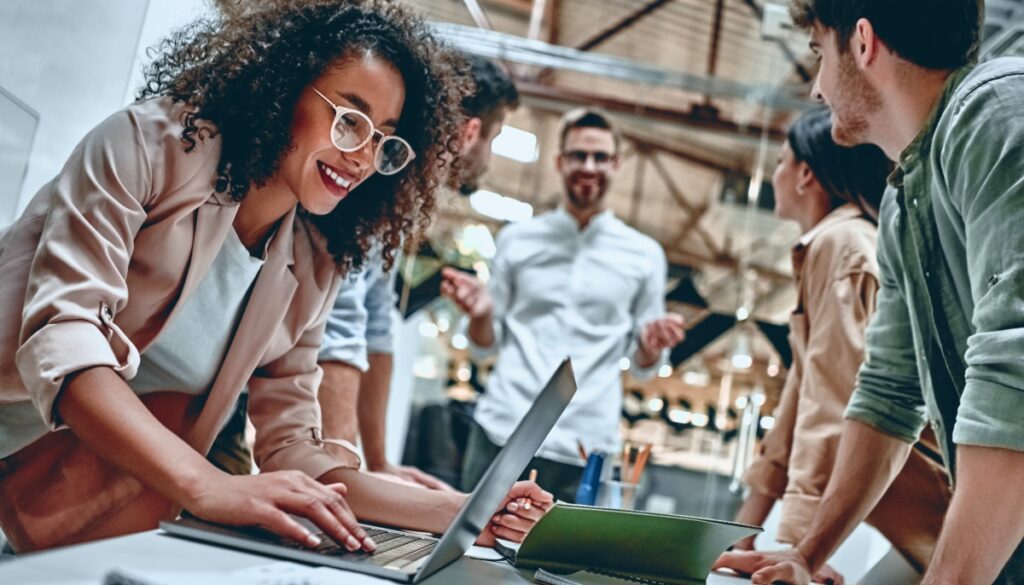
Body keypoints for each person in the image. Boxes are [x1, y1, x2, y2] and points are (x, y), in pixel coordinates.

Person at [0, 0, 549, 555]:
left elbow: (291, 446)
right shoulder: (148, 146)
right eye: (350, 120)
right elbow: (63, 340)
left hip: (54, 497)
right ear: (283, 88)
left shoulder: (314, 259)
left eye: (383, 139)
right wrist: (210, 486)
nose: (362, 157)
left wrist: (467, 509)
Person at [714, 1, 1024, 584]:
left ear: (862, 43)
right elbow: (887, 393)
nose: (815, 90)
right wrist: (806, 552)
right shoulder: (904, 199)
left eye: (818, 55)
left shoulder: (997, 112)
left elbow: (1018, 371)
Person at [729, 108, 950, 585]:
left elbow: (833, 402)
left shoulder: (841, 245)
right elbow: (797, 401)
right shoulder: (831, 246)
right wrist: (742, 531)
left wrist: (801, 547)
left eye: (782, 161)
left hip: (936, 515)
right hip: (911, 518)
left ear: (807, 174)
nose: (775, 173)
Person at [442, 107, 686, 503]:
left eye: (601, 157)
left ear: (617, 164)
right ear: (559, 161)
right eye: (578, 155)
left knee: (563, 563)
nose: (589, 166)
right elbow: (484, 344)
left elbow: (644, 368)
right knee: (469, 549)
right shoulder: (518, 239)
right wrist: (482, 315)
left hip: (586, 444)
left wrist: (651, 346)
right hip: (503, 429)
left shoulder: (645, 255)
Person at [315, 55, 520, 491]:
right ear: (470, 133)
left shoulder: (405, 197)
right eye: (494, 138)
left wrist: (378, 463)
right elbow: (342, 321)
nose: (488, 155)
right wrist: (343, 471)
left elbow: (375, 322)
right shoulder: (379, 177)